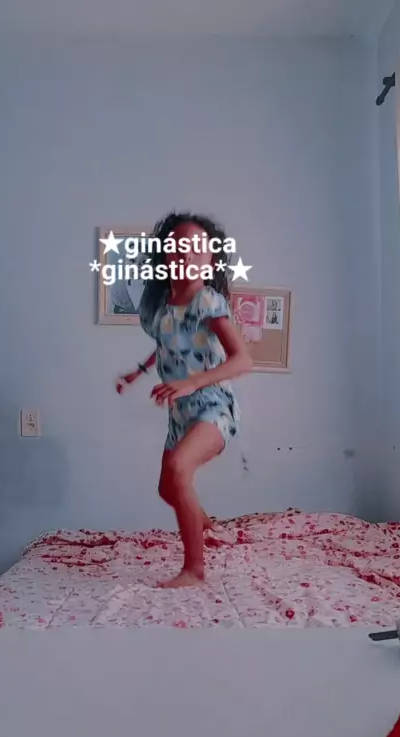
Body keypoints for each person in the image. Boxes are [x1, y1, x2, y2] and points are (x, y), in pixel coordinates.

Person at [115, 212, 252, 587]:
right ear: (165, 256)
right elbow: (169, 345)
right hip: (180, 413)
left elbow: (243, 360)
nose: (187, 255)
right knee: (167, 488)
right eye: (178, 248)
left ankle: (194, 569)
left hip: (213, 407)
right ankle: (203, 524)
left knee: (179, 469)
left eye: (197, 249)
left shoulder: (208, 301)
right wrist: (138, 372)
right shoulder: (164, 306)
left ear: (210, 259)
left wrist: (194, 382)